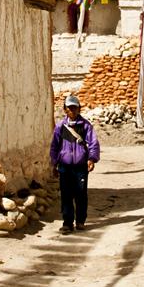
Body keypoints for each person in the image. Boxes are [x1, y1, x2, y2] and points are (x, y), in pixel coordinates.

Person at [50, 95, 100, 234]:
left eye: (74, 107)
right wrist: (54, 164)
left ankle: (80, 221)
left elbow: (93, 143)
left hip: (80, 166)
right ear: (65, 109)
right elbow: (54, 146)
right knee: (66, 195)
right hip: (65, 166)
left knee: (81, 194)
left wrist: (92, 159)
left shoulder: (85, 126)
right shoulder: (60, 126)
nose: (72, 110)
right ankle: (67, 223)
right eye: (69, 108)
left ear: (79, 109)